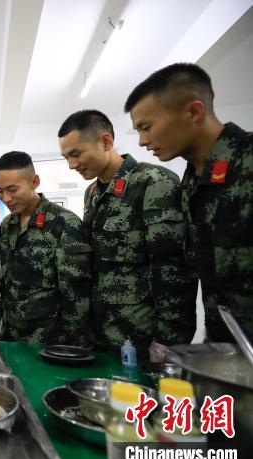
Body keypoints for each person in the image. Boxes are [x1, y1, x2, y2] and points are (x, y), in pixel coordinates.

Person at [125, 63, 253, 342]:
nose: (143, 141)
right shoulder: (191, 183)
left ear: (194, 112)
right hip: (227, 352)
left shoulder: (247, 163)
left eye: (146, 127)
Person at [58, 109, 196, 360]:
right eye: (66, 157)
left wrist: (169, 340)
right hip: (103, 334)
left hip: (143, 337)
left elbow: (174, 269)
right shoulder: (92, 193)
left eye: (76, 154)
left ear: (106, 141)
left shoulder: (153, 183)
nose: (71, 165)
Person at [0, 151, 92, 346]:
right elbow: (4, 277)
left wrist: (78, 348)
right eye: (0, 190)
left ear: (34, 182)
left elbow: (75, 295)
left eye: (12, 189)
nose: (6, 198)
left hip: (50, 341)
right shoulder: (7, 225)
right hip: (11, 337)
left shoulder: (64, 223)